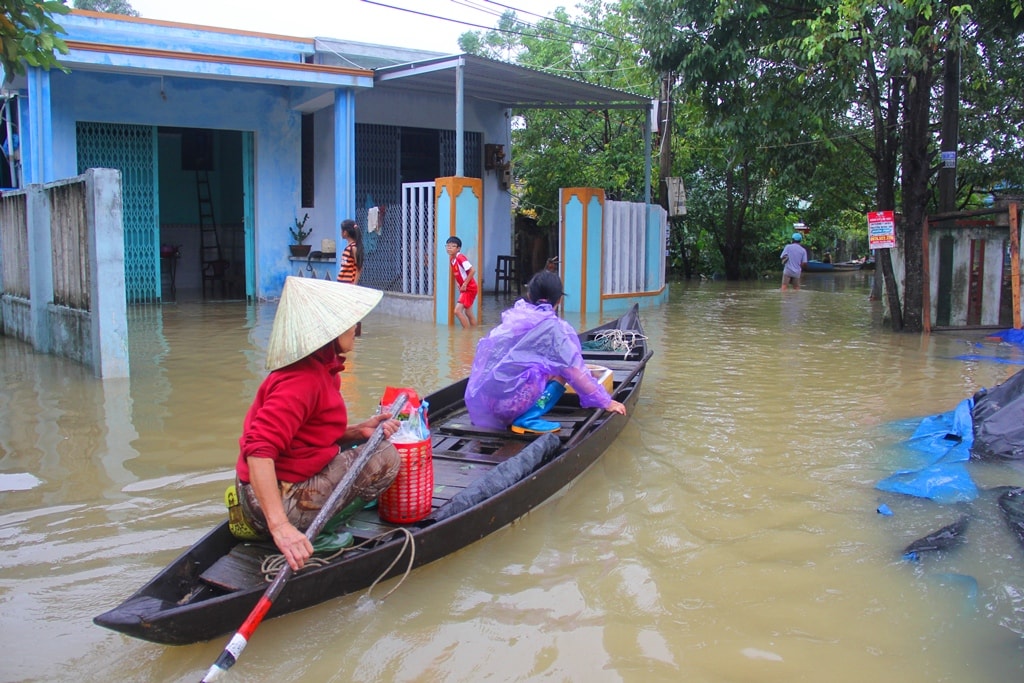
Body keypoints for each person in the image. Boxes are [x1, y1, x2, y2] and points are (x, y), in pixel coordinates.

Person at [235, 277, 401, 571]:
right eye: (350, 323)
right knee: (386, 457)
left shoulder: (322, 370)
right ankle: (314, 533)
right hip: (272, 501)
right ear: (330, 331)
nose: (356, 328)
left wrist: (358, 431)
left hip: (271, 490)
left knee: (372, 442)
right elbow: (258, 449)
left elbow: (308, 435)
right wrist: (280, 526)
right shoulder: (302, 380)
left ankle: (307, 517)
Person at [465, 270, 627, 434]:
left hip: (484, 405)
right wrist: (606, 402)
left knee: (542, 367)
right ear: (559, 300)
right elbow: (576, 374)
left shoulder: (513, 318)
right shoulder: (554, 330)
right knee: (563, 371)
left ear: (529, 294)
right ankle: (526, 419)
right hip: (507, 408)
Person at [336, 219, 364, 335]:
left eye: (341, 231)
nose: (341, 233)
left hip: (349, 284)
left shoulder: (353, 248)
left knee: (351, 310)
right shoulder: (348, 247)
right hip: (343, 283)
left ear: (345, 232)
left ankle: (354, 333)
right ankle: (347, 333)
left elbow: (359, 268)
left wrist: (354, 284)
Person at [445, 235, 477, 328]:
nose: (449, 248)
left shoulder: (460, 257)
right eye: (448, 246)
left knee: (457, 311)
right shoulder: (452, 259)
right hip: (466, 288)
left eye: (452, 246)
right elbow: (457, 273)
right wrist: (458, 283)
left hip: (469, 288)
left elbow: (472, 270)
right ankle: (474, 333)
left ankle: (466, 334)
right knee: (468, 312)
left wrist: (465, 284)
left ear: (458, 248)